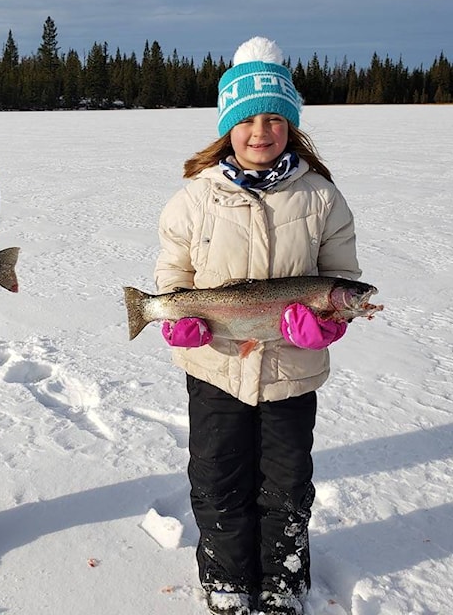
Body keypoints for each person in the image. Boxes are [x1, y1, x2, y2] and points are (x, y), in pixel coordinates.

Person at [154, 37, 361, 615]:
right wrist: (173, 318)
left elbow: (341, 276)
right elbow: (174, 275)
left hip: (292, 370)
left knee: (287, 482)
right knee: (218, 477)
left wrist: (331, 324)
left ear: (292, 126)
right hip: (216, 365)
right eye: (248, 119)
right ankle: (225, 576)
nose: (261, 131)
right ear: (228, 127)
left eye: (275, 118)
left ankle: (283, 579)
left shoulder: (322, 198)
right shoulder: (193, 200)